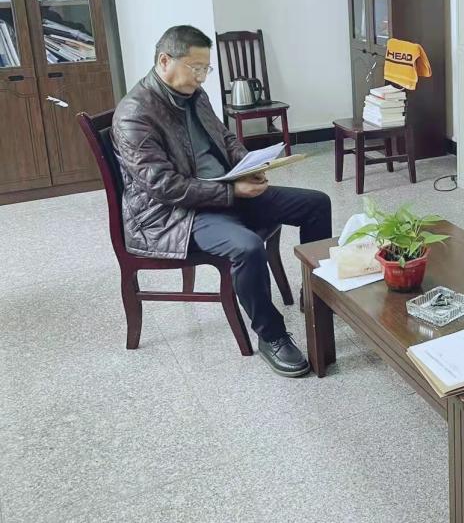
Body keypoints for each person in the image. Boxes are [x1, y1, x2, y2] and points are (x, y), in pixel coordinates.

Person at [112, 25, 332, 377]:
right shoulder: (134, 114)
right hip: (177, 213)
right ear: (164, 61)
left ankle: (316, 294)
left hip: (224, 190)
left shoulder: (194, 94)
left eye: (206, 68)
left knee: (316, 204)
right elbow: (164, 187)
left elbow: (225, 137)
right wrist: (233, 192)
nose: (201, 77)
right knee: (246, 247)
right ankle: (271, 336)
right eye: (195, 68)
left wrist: (250, 165)